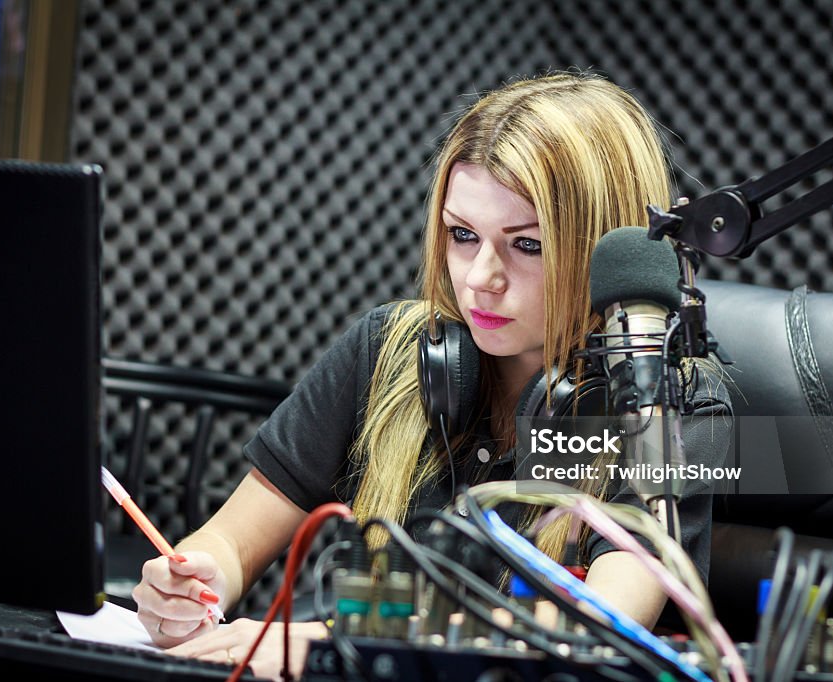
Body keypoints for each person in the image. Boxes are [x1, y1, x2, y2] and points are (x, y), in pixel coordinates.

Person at [132, 71, 733, 676]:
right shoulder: (385, 348)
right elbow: (230, 541)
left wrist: (336, 645)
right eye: (463, 235)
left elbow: (606, 621)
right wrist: (195, 580)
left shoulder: (672, 399)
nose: (479, 278)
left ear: (604, 247)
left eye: (527, 246)